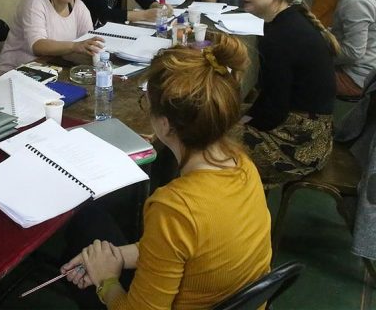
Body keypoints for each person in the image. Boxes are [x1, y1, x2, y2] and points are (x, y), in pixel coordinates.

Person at [61, 34, 272, 309]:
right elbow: (184, 247)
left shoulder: (174, 208)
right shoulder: (243, 165)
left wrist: (106, 280)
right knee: (93, 221)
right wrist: (119, 257)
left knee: (87, 220)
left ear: (164, 124)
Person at [239, 0, 339, 187]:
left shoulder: (280, 36)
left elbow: (273, 111)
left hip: (301, 144)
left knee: (210, 136)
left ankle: (238, 201)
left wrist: (243, 122)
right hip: (313, 131)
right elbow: (272, 98)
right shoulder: (289, 20)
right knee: (221, 113)